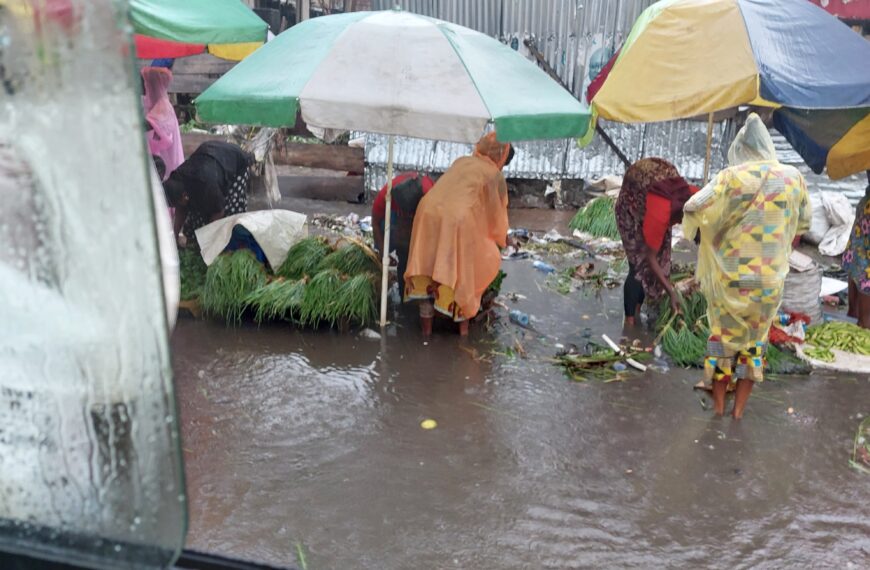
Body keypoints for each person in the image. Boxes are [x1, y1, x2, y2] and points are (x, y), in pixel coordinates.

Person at [683, 114, 810, 419]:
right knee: (753, 345)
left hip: (731, 279)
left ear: (741, 147)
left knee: (723, 344)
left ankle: (717, 409)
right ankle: (738, 413)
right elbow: (803, 224)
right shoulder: (793, 178)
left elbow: (692, 205)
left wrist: (715, 229)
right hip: (769, 282)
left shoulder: (731, 177)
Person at [405, 133, 515, 337]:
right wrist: (504, 239)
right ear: (501, 158)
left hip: (428, 211)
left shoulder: (463, 161)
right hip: (458, 220)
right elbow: (496, 215)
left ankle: (426, 334)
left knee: (429, 265)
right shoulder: (494, 175)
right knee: (464, 271)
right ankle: (463, 338)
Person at [615, 158, 696, 326]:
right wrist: (671, 292)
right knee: (638, 267)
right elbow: (649, 258)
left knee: (662, 259)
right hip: (631, 206)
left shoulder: (695, 198)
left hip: (652, 196)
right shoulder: (660, 214)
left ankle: (638, 309)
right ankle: (629, 324)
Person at [163, 141, 254, 246]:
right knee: (196, 211)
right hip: (209, 155)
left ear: (184, 196)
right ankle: (195, 240)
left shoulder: (207, 184)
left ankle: (228, 245)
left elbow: (218, 212)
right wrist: (174, 235)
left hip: (234, 161)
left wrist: (208, 242)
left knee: (229, 212)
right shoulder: (176, 179)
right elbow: (181, 208)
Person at [371, 172, 435, 294]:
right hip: (394, 217)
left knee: (415, 252)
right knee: (388, 229)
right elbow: (375, 223)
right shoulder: (387, 195)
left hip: (425, 217)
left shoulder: (430, 196)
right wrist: (383, 252)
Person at [141, 66, 184, 180]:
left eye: (145, 83)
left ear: (153, 84)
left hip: (167, 166)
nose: (143, 88)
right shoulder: (154, 106)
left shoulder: (163, 107)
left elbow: (145, 125)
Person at [843, 172, 870, 328]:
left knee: (859, 259)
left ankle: (855, 313)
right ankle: (865, 322)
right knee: (864, 265)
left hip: (866, 205)